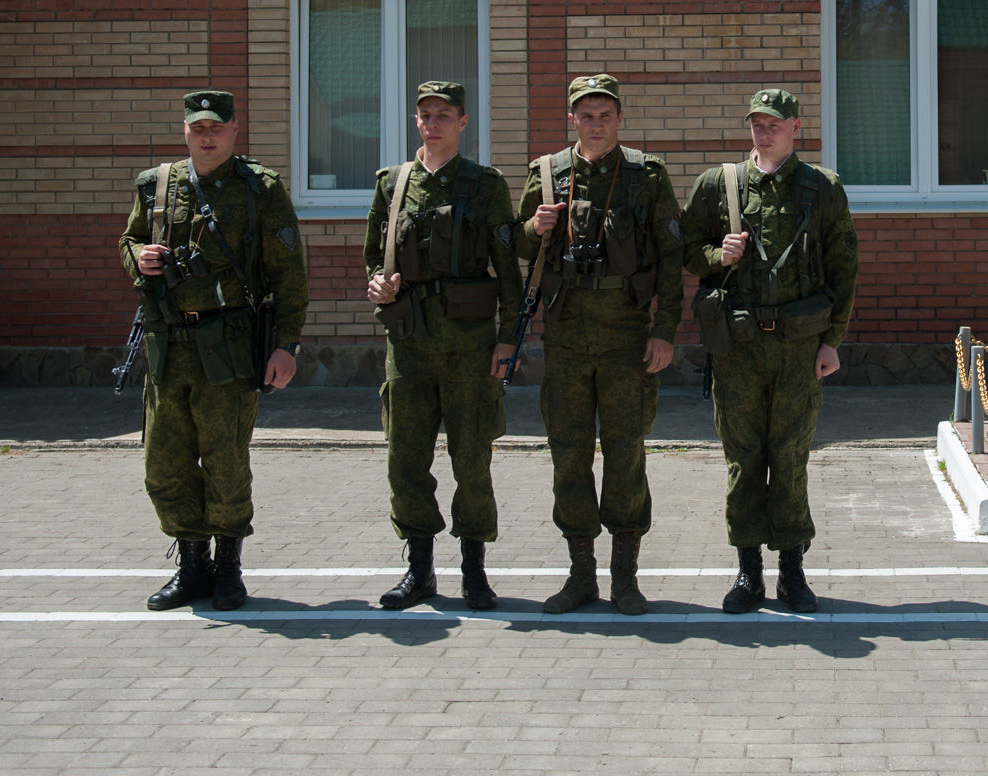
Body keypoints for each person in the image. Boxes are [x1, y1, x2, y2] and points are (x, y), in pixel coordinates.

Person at [120, 90, 306, 613]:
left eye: (216, 127)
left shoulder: (258, 189)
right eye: (198, 127)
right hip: (168, 344)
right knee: (165, 464)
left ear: (233, 130)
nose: (207, 136)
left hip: (229, 344)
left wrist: (285, 346)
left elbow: (289, 275)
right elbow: (128, 241)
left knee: (225, 462)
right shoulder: (157, 186)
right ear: (185, 131)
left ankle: (228, 567)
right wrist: (143, 258)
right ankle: (191, 566)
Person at [679, 88, 856, 614]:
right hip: (738, 348)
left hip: (799, 349)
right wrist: (718, 252)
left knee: (791, 456)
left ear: (796, 127)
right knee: (743, 459)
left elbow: (844, 266)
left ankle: (793, 572)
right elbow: (687, 251)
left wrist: (833, 342)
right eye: (757, 123)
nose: (764, 131)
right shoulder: (719, 185)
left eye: (774, 123)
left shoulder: (821, 187)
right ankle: (748, 571)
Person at [516, 75, 684, 615]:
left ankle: (626, 578)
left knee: (626, 455)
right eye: (585, 115)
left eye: (604, 114)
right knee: (568, 457)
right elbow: (518, 246)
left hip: (626, 339)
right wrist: (533, 226)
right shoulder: (546, 174)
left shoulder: (646, 175)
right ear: (572, 119)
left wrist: (664, 332)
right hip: (565, 339)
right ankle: (580, 574)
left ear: (618, 118)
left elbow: (671, 258)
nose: (595, 123)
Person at [365, 81, 524, 611]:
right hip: (408, 343)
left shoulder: (485, 184)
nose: (433, 123)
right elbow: (374, 258)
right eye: (425, 115)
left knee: (471, 457)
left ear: (463, 122)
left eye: (444, 115)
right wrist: (378, 283)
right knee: (405, 459)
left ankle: (475, 570)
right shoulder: (393, 184)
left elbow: (508, 270)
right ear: (416, 122)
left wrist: (508, 340)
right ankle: (419, 570)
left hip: (470, 345)